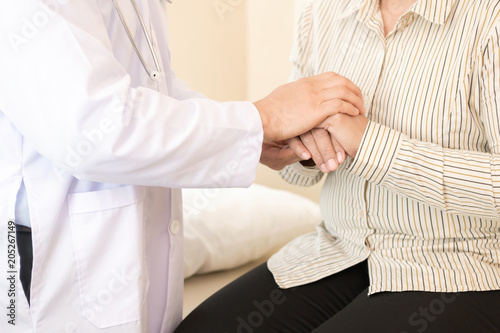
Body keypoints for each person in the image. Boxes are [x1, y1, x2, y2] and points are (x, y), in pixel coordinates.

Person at [0, 0, 367, 332]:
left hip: (129, 238)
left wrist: (251, 134)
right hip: (53, 247)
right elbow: (94, 127)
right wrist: (261, 118)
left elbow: (153, 89)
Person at [175, 0, 500, 332]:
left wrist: (368, 142)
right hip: (338, 248)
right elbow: (298, 172)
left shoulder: (489, 18)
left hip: (462, 263)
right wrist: (299, 145)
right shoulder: (322, 11)